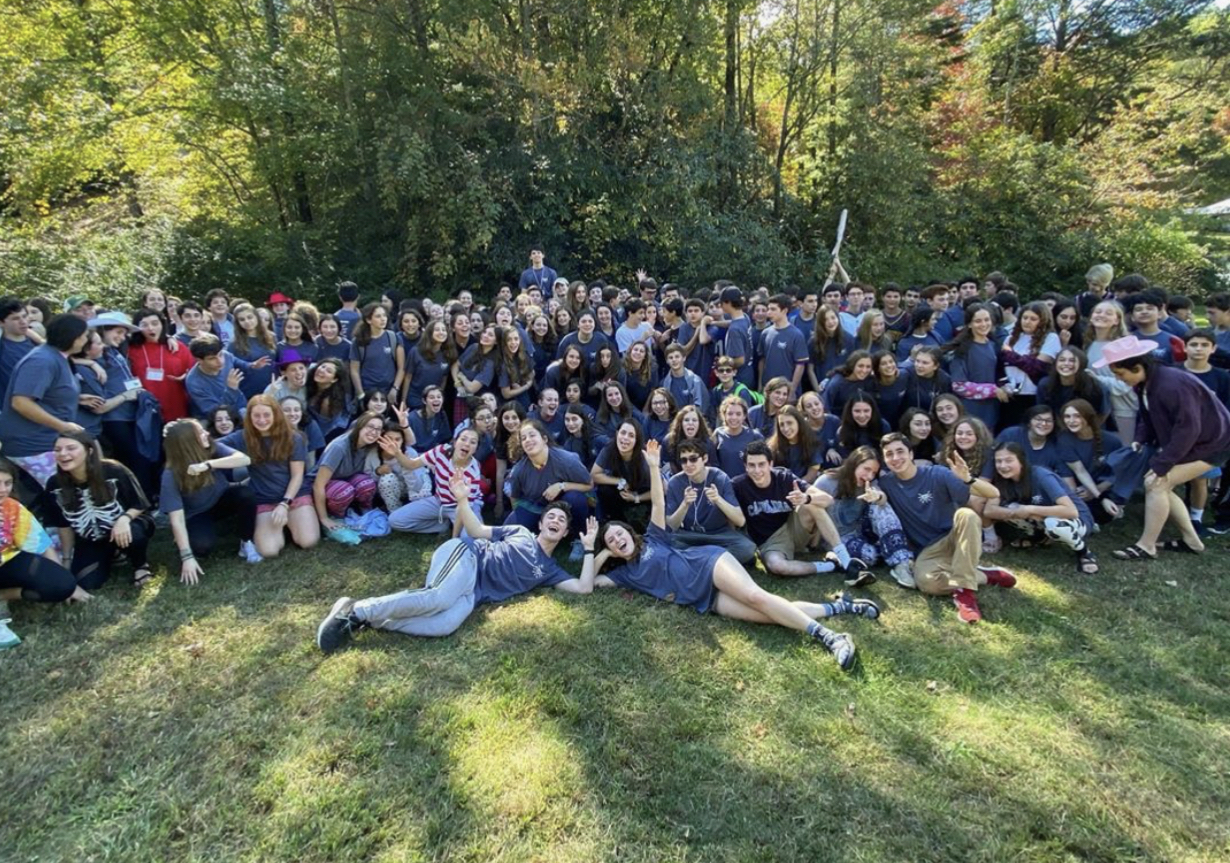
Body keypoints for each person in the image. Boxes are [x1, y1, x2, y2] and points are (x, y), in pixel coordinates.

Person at [596, 441, 874, 671]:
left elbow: (658, 503)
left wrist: (654, 467)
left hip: (708, 564)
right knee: (766, 613)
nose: (618, 540)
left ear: (630, 532)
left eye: (619, 534)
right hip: (702, 599)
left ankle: (831, 638)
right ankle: (842, 607)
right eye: (611, 542)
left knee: (756, 597)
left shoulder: (653, 538)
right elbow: (585, 585)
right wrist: (594, 551)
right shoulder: (624, 575)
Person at [317, 474, 601, 652]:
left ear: (565, 533)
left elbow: (584, 587)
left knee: (445, 624)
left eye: (561, 521)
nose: (555, 520)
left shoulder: (550, 570)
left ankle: (372, 620)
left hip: (474, 594)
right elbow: (476, 530)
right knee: (437, 598)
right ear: (540, 523)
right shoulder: (519, 532)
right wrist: (463, 500)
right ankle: (355, 610)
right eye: (551, 516)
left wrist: (589, 548)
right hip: (467, 556)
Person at [1096, 337, 1230, 561]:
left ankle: (1147, 545)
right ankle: (1192, 541)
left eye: (1120, 373)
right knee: (1161, 485)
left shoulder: (1171, 385)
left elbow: (1189, 429)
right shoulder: (1146, 382)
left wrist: (1162, 464)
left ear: (1137, 367)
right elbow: (1147, 415)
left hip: (1215, 443)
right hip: (1196, 442)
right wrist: (1141, 438)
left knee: (1156, 483)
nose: (1118, 378)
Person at [877, 433, 1017, 624]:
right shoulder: (886, 484)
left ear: (911, 454)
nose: (895, 458)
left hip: (954, 536)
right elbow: (876, 494)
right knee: (927, 584)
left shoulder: (937, 474)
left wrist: (967, 478)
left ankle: (965, 595)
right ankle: (983, 575)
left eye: (900, 451)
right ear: (885, 459)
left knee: (967, 515)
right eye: (889, 454)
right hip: (928, 550)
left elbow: (993, 493)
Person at [40, 431, 156, 590]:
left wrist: (124, 519)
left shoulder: (114, 470)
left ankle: (140, 565)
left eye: (71, 448)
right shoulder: (54, 484)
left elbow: (140, 504)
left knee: (134, 534)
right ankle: (114, 554)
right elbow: (63, 525)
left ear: (89, 451)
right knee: (86, 582)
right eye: (58, 450)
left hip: (126, 525)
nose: (63, 454)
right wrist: (67, 560)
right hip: (90, 537)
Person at [732, 441, 859, 582]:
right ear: (745, 466)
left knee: (812, 503)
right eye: (751, 465)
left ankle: (846, 560)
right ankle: (831, 566)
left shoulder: (784, 477)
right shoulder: (738, 486)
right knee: (777, 566)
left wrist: (806, 498)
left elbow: (828, 500)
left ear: (770, 464)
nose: (757, 470)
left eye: (761, 464)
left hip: (794, 527)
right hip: (770, 541)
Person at [219, 394, 320, 559]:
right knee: (269, 551)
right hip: (265, 498)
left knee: (308, 541)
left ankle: (292, 523)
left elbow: (297, 476)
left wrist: (285, 504)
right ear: (249, 417)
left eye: (266, 415)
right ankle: (280, 529)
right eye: (256, 415)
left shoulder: (293, 437)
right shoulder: (242, 437)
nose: (262, 420)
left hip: (294, 495)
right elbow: (214, 444)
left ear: (275, 415)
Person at [0, 457, 83, 649]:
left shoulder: (12, 508)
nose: (3, 489)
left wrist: (64, 580)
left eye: (7, 483)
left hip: (7, 561)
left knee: (62, 585)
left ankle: (3, 595)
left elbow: (41, 544)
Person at [0, 314, 90, 488]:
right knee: (62, 493)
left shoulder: (55, 357)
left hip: (48, 443)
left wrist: (77, 399)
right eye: (85, 335)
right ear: (73, 337)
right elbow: (20, 402)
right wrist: (62, 426)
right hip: (33, 446)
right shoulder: (42, 360)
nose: (87, 340)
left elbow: (48, 393)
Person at [160, 418, 260, 576]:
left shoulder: (211, 447)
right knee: (202, 547)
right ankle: (188, 540)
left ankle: (246, 541)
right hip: (197, 513)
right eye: (200, 432)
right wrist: (187, 557)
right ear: (188, 442)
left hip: (222, 498)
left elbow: (244, 459)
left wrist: (208, 464)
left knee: (245, 494)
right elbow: (176, 519)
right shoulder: (170, 474)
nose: (207, 433)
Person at [983, 443, 1098, 574]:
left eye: (1009, 460)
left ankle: (1084, 552)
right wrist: (1016, 512)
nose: (1003, 466)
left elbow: (1071, 511)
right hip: (1044, 518)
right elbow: (989, 510)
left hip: (1076, 520)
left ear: (1021, 461)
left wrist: (1030, 510)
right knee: (1011, 508)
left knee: (1052, 524)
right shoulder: (1002, 479)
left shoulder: (1041, 475)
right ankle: (1040, 537)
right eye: (998, 461)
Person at [813, 447, 916, 588]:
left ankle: (901, 563)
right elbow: (811, 509)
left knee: (881, 505)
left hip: (862, 531)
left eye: (873, 472)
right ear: (854, 464)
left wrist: (878, 497)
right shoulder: (826, 482)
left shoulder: (870, 484)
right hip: (837, 539)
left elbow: (881, 496)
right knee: (870, 556)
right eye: (866, 469)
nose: (869, 476)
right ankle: (893, 548)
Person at [663, 440, 756, 564]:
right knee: (665, 546)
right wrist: (685, 504)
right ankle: (717, 561)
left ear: (705, 458)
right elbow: (672, 525)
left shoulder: (720, 477)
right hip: (689, 536)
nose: (688, 464)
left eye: (693, 459)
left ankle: (696, 560)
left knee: (747, 548)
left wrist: (718, 500)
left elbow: (740, 521)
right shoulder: (675, 482)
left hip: (719, 535)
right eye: (684, 460)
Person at [505, 419, 594, 544]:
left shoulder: (567, 460)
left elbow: (589, 485)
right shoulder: (519, 470)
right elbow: (514, 497)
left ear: (544, 439)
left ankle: (578, 539)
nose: (528, 440)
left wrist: (561, 486)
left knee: (575, 498)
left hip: (566, 504)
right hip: (538, 506)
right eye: (523, 438)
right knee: (507, 532)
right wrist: (520, 517)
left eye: (532, 435)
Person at [386, 426, 484, 535]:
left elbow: (463, 508)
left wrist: (454, 537)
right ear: (455, 442)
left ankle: (456, 526)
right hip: (439, 501)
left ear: (476, 449)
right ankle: (441, 525)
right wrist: (397, 453)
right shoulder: (441, 451)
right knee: (395, 520)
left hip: (464, 507)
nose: (467, 444)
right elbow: (411, 464)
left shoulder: (473, 471)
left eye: (473, 442)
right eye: (463, 439)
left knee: (471, 538)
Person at [312, 412, 385, 533]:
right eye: (370, 426)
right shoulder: (339, 447)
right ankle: (335, 516)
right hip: (326, 484)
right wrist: (323, 518)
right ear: (360, 426)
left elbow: (406, 442)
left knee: (367, 484)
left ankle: (364, 512)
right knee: (344, 491)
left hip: (347, 479)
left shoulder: (369, 445)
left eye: (378, 429)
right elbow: (318, 485)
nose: (374, 432)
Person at [185, 334, 271, 421]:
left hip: (240, 407)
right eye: (212, 358)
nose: (220, 361)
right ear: (199, 360)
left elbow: (237, 362)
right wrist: (231, 389)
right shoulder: (194, 382)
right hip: (215, 420)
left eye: (220, 355)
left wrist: (252, 365)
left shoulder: (226, 355)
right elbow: (214, 411)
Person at [947, 303, 1006, 430]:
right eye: (978, 321)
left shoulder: (994, 345)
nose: (983, 324)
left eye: (986, 320)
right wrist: (992, 390)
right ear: (969, 324)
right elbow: (959, 385)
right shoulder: (962, 350)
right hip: (970, 410)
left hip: (992, 409)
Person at [129, 307, 193, 421]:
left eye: (155, 323)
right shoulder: (131, 349)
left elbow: (193, 371)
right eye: (144, 325)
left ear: (162, 324)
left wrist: (186, 377)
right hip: (144, 409)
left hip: (176, 406)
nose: (150, 328)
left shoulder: (177, 346)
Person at [349, 302, 405, 405]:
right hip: (368, 390)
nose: (383, 319)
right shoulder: (358, 341)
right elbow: (354, 370)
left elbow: (401, 367)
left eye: (384, 315)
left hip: (389, 390)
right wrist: (360, 394)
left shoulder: (393, 338)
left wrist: (395, 388)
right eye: (378, 316)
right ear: (368, 320)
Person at [757, 294, 809, 397]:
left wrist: (792, 390)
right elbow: (762, 360)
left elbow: (800, 365)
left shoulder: (796, 335)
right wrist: (760, 384)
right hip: (769, 390)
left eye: (773, 309)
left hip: (786, 391)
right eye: (768, 309)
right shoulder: (765, 333)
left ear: (784, 310)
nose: (769, 313)